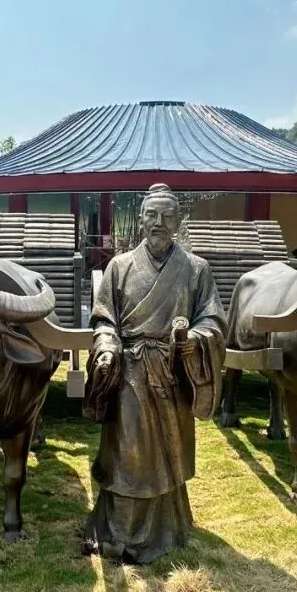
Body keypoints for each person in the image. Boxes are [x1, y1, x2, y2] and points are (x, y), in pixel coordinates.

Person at [81, 183, 227, 564]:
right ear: (141, 220)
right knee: (127, 453)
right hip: (130, 371)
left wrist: (196, 339)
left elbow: (212, 319)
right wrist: (108, 347)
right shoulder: (119, 267)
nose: (159, 222)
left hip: (173, 372)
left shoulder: (196, 269)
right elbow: (104, 319)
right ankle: (119, 531)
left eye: (167, 216)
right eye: (151, 215)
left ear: (178, 222)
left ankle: (168, 528)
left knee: (168, 455)